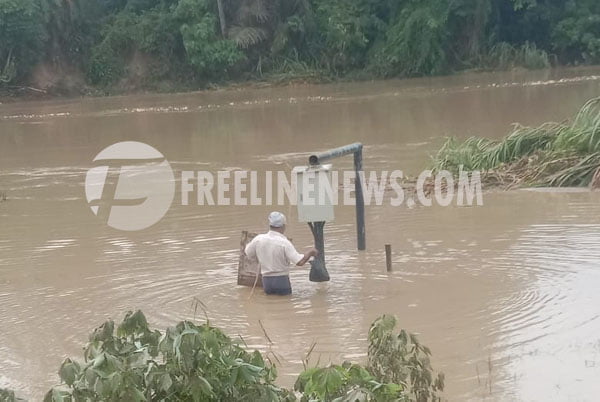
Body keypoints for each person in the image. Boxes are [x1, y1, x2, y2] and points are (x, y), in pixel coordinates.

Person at [244, 211, 318, 295]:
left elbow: (248, 253)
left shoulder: (258, 239)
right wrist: (310, 252)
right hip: (281, 281)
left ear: (270, 225)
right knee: (286, 302)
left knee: (270, 302)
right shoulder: (284, 242)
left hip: (266, 282)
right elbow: (300, 262)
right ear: (283, 226)